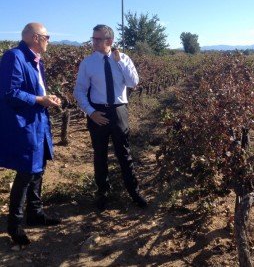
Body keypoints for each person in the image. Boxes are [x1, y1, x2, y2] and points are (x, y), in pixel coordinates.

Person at [0, 23, 62, 246]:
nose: (49, 40)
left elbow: (35, 91)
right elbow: (10, 93)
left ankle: (35, 214)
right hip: (25, 124)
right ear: (36, 37)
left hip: (39, 122)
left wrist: (48, 98)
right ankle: (14, 226)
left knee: (39, 169)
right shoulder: (14, 56)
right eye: (47, 36)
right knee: (26, 172)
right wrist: (39, 100)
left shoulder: (34, 59)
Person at [73, 24, 147, 210]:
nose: (94, 42)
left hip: (118, 111)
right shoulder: (88, 63)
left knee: (124, 153)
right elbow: (79, 91)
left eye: (97, 39)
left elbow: (133, 83)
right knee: (100, 155)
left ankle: (134, 192)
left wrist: (119, 61)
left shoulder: (123, 59)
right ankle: (102, 193)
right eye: (93, 38)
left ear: (109, 41)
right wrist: (91, 112)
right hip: (97, 111)